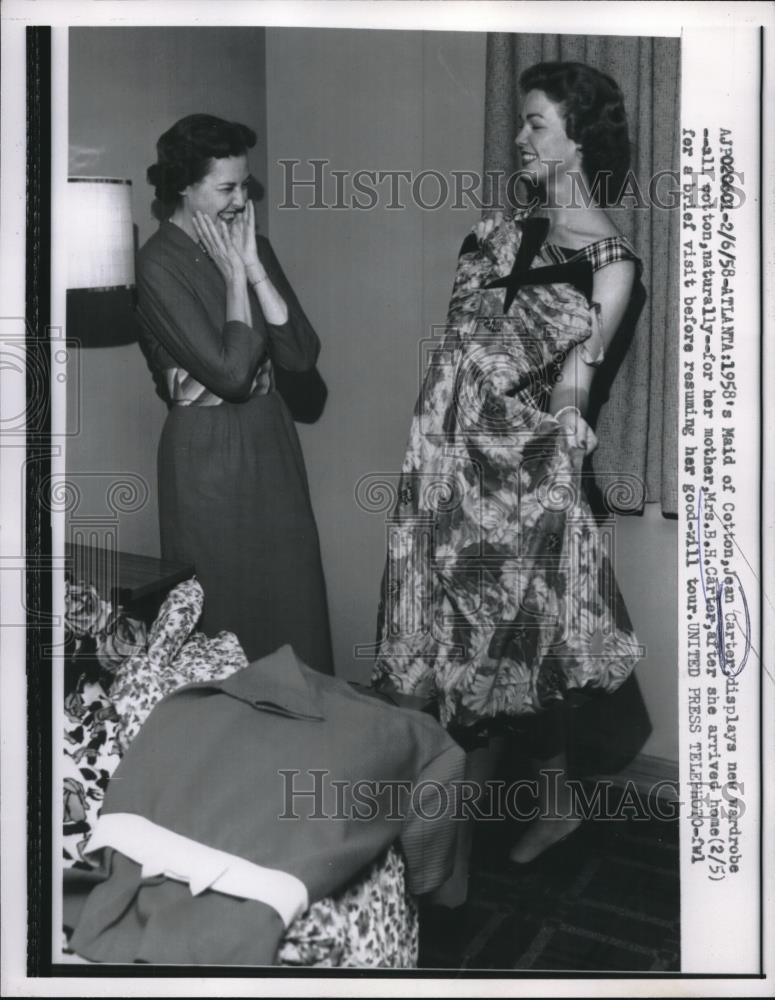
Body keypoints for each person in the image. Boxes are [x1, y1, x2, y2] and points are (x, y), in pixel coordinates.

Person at [372, 61, 644, 871]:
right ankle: (461, 838)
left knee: (519, 654)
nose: (520, 137)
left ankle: (478, 843)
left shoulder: (610, 263)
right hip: (452, 473)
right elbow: (457, 359)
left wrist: (564, 428)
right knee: (474, 649)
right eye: (522, 122)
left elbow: (574, 377)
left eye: (536, 124)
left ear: (578, 139)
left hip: (532, 482)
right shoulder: (492, 235)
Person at [136, 114, 333, 673]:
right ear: (184, 186)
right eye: (226, 188)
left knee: (292, 598)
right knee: (224, 612)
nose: (240, 199)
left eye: (244, 185)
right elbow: (229, 372)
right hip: (207, 457)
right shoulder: (157, 263)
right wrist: (231, 280)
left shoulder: (253, 245)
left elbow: (299, 355)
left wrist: (252, 266)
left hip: (270, 439)